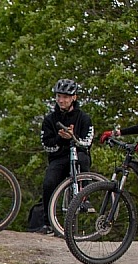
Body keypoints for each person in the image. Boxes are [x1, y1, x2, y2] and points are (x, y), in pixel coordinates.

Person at [38, 78, 93, 235]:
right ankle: (47, 222)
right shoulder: (49, 119)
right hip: (59, 158)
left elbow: (87, 142)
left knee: (83, 161)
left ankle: (85, 198)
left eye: (65, 97)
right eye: (59, 96)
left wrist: (72, 137)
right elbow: (47, 145)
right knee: (49, 182)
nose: (61, 100)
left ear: (74, 97)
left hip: (79, 155)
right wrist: (60, 139)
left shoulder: (84, 118)